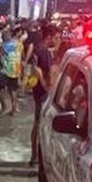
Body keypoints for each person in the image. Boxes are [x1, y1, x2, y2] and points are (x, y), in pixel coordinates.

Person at [29, 24, 60, 166]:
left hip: (36, 92)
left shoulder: (38, 49)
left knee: (36, 124)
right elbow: (47, 78)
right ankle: (37, 156)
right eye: (56, 37)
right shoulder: (45, 53)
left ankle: (34, 155)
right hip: (43, 93)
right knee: (41, 126)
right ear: (49, 37)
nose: (58, 40)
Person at [0, 28, 22, 115]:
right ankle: (14, 109)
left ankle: (4, 107)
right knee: (13, 91)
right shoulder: (18, 44)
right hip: (16, 70)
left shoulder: (4, 46)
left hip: (6, 71)